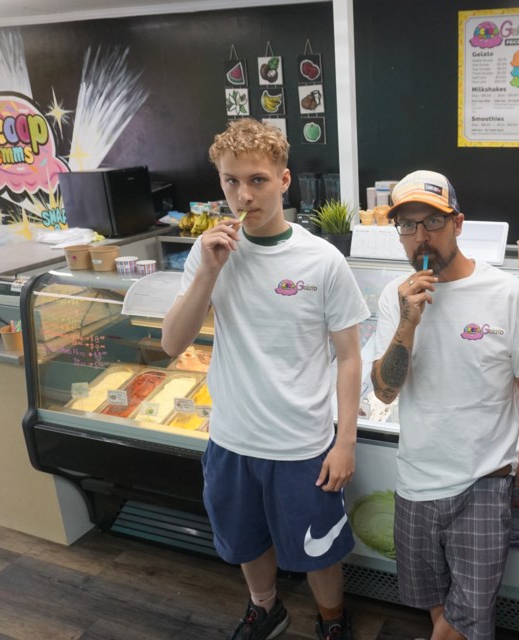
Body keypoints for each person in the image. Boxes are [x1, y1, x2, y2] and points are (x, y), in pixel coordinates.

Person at [161, 118, 370, 640]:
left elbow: (349, 357)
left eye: (256, 180)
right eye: (231, 181)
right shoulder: (207, 253)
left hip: (302, 441)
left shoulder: (322, 260)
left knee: (318, 546)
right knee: (246, 540)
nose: (243, 194)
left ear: (284, 180)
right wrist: (208, 271)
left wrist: (345, 442)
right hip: (231, 436)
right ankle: (265, 608)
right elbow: (172, 343)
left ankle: (331, 619)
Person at [370, 170, 519, 640]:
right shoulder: (395, 296)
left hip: (484, 482)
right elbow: (385, 392)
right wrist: (408, 322)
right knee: (438, 606)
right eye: (407, 225)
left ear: (459, 224)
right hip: (416, 479)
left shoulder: (505, 294)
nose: (420, 236)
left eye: (432, 222)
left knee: (466, 619)